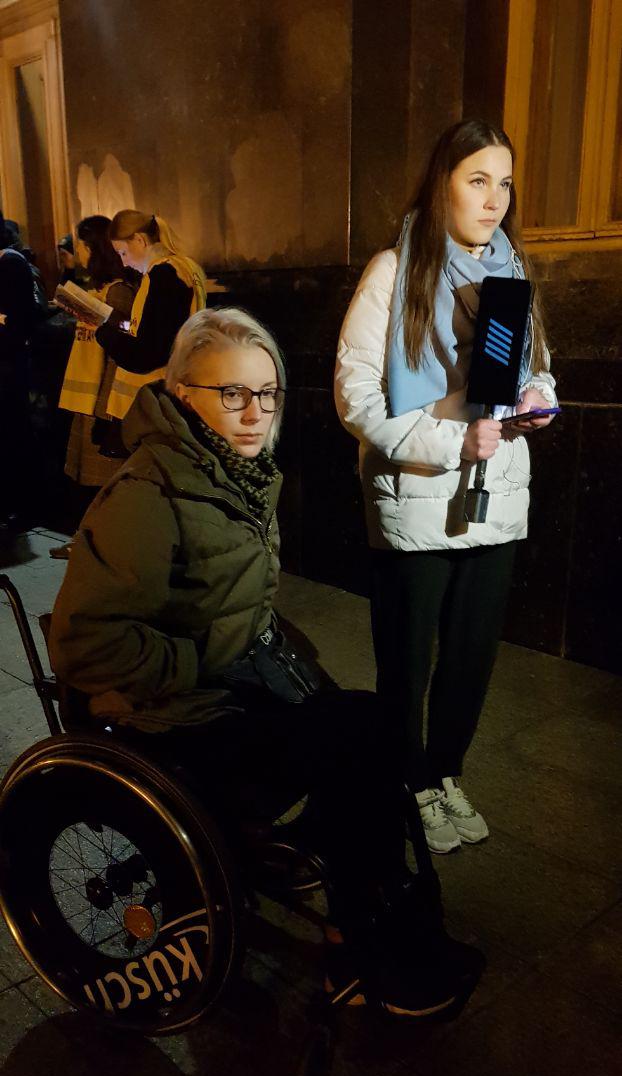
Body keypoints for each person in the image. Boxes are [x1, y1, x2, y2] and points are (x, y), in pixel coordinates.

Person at [49, 305, 484, 1018]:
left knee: (374, 724)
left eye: (267, 393)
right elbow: (85, 644)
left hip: (229, 687)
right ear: (182, 393)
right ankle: (363, 949)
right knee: (353, 741)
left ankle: (362, 913)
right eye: (232, 393)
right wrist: (203, 658)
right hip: (170, 723)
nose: (255, 413)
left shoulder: (234, 474)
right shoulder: (147, 496)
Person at [334, 119, 557, 854]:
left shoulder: (511, 271)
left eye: (504, 183)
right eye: (477, 180)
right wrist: (448, 441)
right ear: (443, 184)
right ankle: (407, 783)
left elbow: (536, 366)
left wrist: (537, 399)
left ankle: (444, 772)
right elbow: (357, 398)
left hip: (498, 494)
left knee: (470, 658)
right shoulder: (394, 272)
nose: (495, 199)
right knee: (407, 660)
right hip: (416, 500)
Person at [56, 216, 136, 540]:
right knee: (87, 480)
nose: (80, 253)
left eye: (84, 247)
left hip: (102, 397)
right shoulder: (100, 290)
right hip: (87, 394)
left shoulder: (119, 292)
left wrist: (107, 322)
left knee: (104, 477)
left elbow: (127, 338)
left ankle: (105, 541)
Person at [94, 209, 208, 421]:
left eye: (123, 253)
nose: (124, 263)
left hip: (155, 397)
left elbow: (149, 353)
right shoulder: (186, 267)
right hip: (179, 384)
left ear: (140, 240)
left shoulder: (163, 276)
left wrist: (104, 335)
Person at [0, 210, 37, 529]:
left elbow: (19, 321)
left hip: (8, 366)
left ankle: (21, 506)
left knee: (13, 433)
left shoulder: (11, 263)